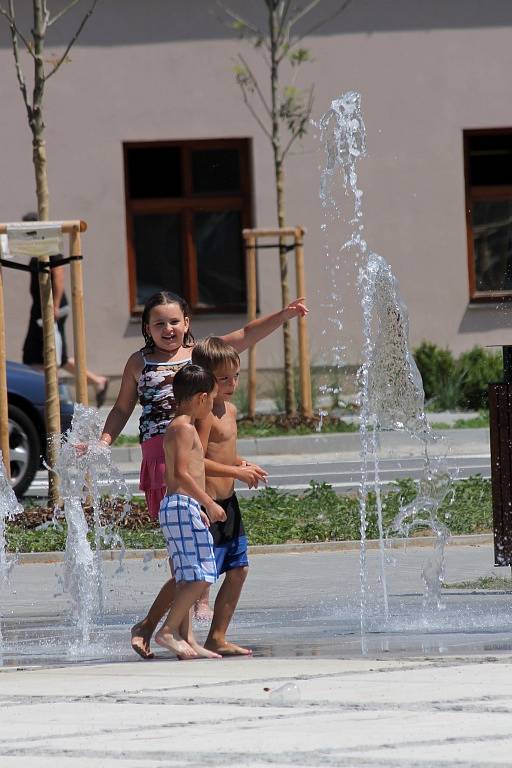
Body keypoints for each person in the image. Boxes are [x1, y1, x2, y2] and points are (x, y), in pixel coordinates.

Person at [106, 289, 308, 658]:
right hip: (163, 463)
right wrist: (104, 441)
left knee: (196, 561)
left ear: (187, 323)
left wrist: (284, 316)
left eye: (174, 321)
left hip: (195, 461)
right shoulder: (139, 363)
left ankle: (187, 632)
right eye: (159, 323)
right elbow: (121, 409)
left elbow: (245, 336)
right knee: (183, 557)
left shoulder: (199, 356)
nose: (168, 329)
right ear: (147, 328)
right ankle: (172, 630)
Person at [193, 336, 267, 656]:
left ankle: (217, 636)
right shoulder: (205, 412)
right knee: (197, 578)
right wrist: (236, 472)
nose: (231, 383)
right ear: (204, 376)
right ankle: (158, 627)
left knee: (238, 569)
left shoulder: (231, 410)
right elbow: (195, 459)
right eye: (223, 378)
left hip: (229, 504)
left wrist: (241, 464)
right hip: (206, 504)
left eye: (235, 376)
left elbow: (223, 454)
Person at [154, 363, 226, 659]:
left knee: (187, 575)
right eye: (211, 399)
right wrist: (208, 502)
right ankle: (167, 631)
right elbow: (183, 473)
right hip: (183, 505)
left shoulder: (180, 427)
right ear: (200, 398)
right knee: (202, 574)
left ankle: (188, 639)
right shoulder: (183, 428)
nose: (211, 405)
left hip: (181, 507)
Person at [20, 212, 109, 406]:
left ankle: (55, 396)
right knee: (47, 355)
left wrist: (56, 305)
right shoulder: (37, 249)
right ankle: (96, 381)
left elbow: (58, 275)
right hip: (41, 308)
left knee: (42, 355)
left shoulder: (49, 248)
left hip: (51, 308)